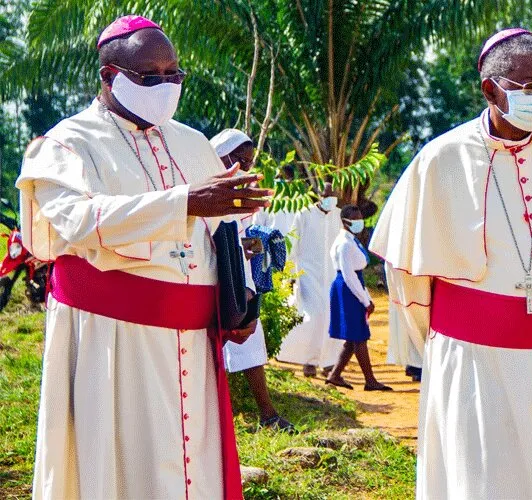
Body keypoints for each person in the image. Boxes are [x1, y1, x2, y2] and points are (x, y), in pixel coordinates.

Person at [17, 16, 272, 499]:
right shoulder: (69, 142)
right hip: (112, 343)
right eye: (149, 78)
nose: (164, 86)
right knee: (120, 469)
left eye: (174, 75)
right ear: (110, 76)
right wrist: (184, 202)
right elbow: (79, 220)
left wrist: (244, 301)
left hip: (193, 347)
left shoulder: (193, 143)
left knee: (194, 469)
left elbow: (222, 237)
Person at [371, 28, 532, 499]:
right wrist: (461, 341)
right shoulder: (441, 159)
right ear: (491, 90)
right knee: (488, 482)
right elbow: (408, 280)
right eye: (529, 87)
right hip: (476, 362)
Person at [210, 129, 295, 432]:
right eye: (239, 160)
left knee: (249, 340)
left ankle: (267, 413)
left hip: (243, 280)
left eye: (248, 162)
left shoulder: (244, 193)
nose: (245, 168)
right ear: (220, 156)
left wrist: (256, 247)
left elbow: (249, 237)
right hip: (211, 280)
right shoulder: (202, 191)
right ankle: (216, 414)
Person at [276, 182, 344, 377]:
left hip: (332, 276)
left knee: (331, 317)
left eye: (334, 194)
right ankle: (309, 361)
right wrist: (289, 276)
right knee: (314, 316)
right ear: (319, 196)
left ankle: (329, 362)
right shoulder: (304, 214)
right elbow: (292, 245)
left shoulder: (338, 216)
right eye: (327, 194)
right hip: (309, 275)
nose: (331, 198)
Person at [325, 205, 392, 391]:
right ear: (346, 222)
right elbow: (349, 275)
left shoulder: (349, 240)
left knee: (353, 336)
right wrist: (365, 300)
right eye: (356, 219)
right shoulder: (345, 244)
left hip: (351, 287)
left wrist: (365, 296)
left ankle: (335, 375)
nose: (360, 222)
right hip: (348, 289)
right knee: (359, 336)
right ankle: (370, 380)